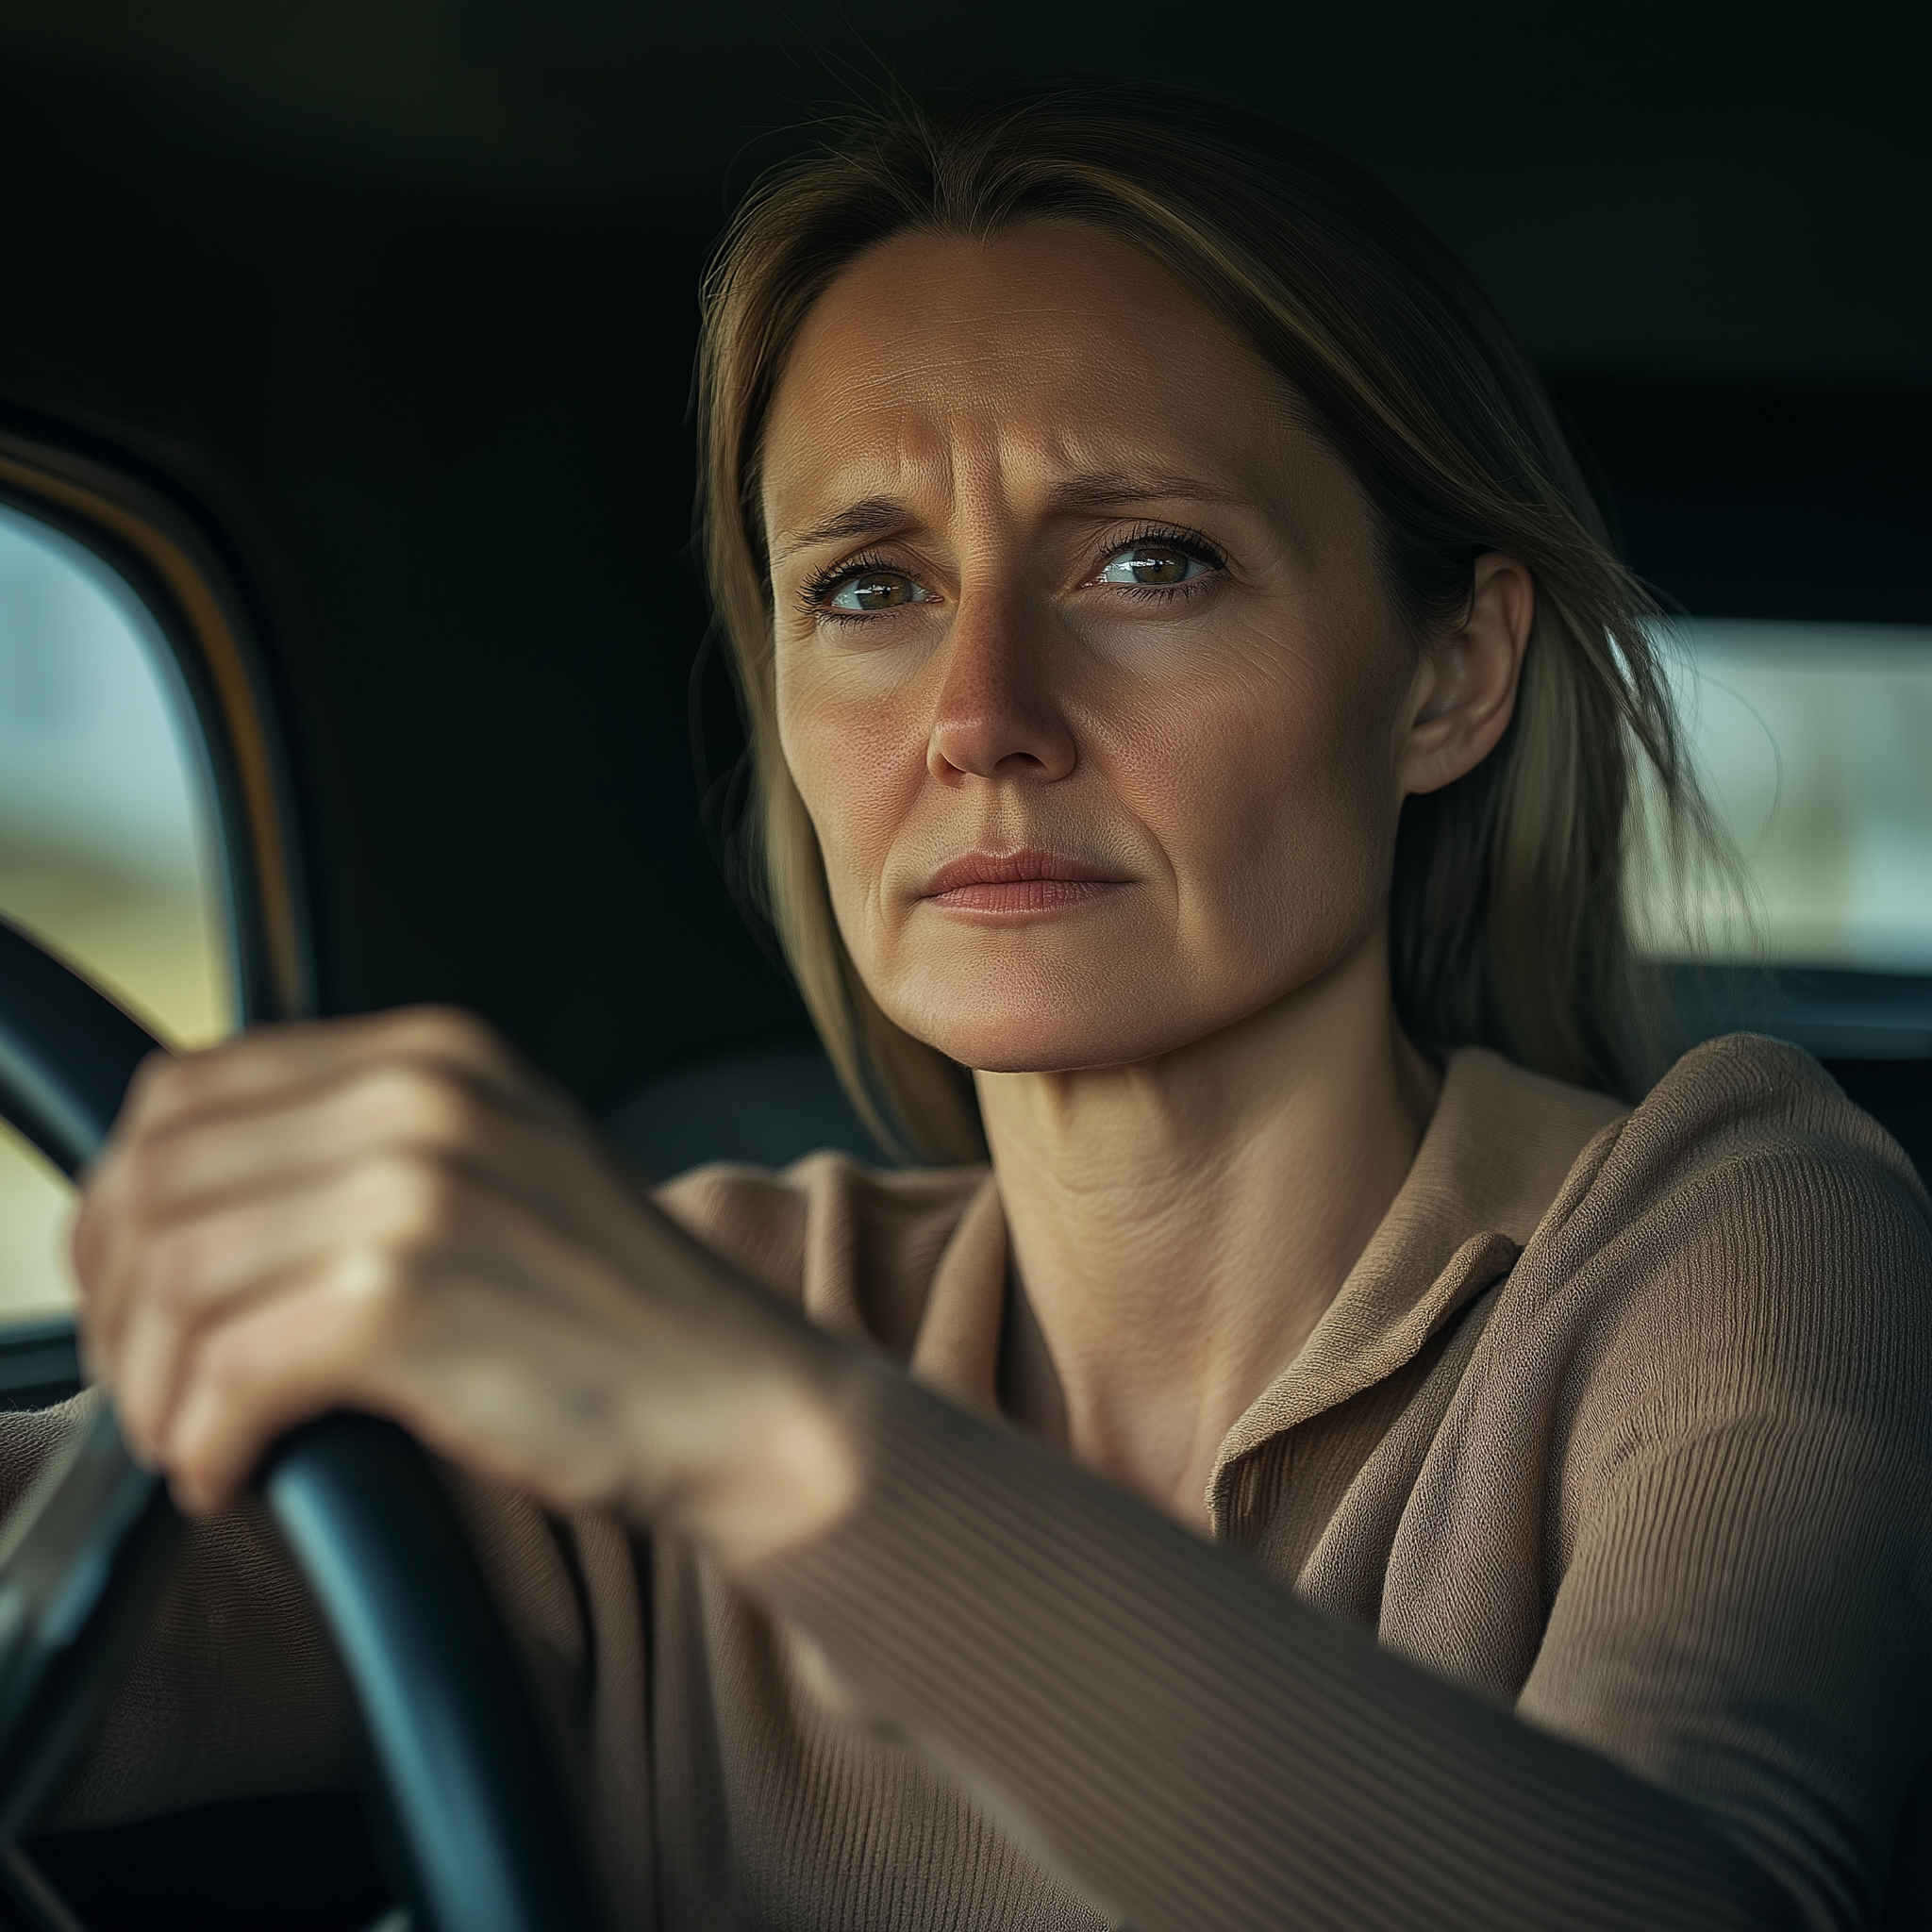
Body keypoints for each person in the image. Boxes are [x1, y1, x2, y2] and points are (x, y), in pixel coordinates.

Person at [44, 81, 1932, 1932]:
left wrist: (758, 1437)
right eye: (870, 586)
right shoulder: (706, 1296)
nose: (979, 718)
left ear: (1447, 673)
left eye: (1146, 561)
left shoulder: (1727, 1228)